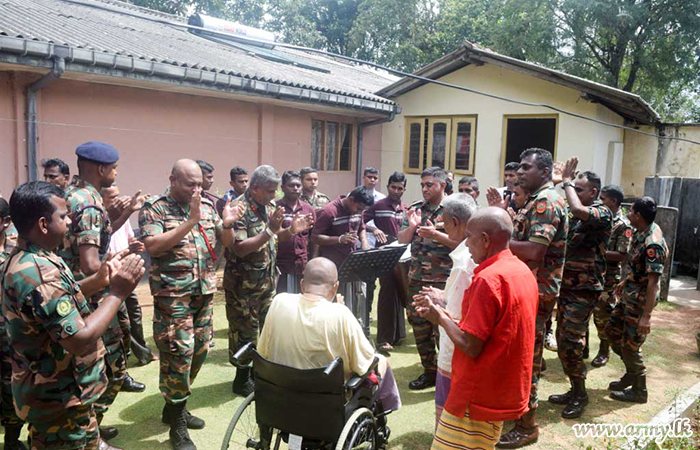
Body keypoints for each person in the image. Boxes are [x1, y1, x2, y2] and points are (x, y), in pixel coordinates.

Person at [2, 181, 145, 450]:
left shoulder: (31, 257)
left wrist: (99, 280)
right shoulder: (40, 274)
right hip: (58, 399)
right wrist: (118, 293)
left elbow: (56, 302)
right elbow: (79, 340)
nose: (69, 222)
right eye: (63, 216)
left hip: (62, 393)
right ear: (43, 224)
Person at [139, 159, 244, 450]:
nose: (197, 190)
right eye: (190, 184)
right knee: (179, 353)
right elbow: (152, 246)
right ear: (172, 180)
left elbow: (227, 242)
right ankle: (177, 423)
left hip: (204, 291)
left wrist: (227, 223)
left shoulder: (208, 206)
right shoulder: (155, 208)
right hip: (173, 295)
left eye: (200, 184)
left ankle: (174, 406)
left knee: (200, 350)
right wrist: (190, 221)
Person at [416, 208, 538, 450]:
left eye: (469, 237)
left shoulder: (487, 279)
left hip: (476, 394)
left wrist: (439, 317)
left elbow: (471, 345)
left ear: (485, 239)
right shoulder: (521, 270)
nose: (466, 244)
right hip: (500, 387)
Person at [59, 142, 142, 447]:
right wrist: (118, 265)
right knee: (112, 368)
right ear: (102, 169)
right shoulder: (91, 203)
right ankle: (91, 433)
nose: (115, 173)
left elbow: (96, 238)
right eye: (114, 168)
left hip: (68, 293)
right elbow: (91, 264)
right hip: (92, 299)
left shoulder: (71, 195)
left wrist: (122, 215)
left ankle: (90, 429)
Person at [258, 257, 401, 416]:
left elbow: (263, 352)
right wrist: (339, 310)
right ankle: (381, 416)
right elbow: (364, 364)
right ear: (335, 287)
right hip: (326, 405)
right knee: (381, 360)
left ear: (302, 284)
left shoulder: (279, 301)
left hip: (282, 395)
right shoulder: (340, 314)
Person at [497, 148, 568, 449]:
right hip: (527, 288)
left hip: (537, 292)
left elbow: (535, 250)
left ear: (544, 172)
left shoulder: (546, 202)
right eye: (520, 167)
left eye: (526, 168)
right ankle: (517, 414)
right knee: (520, 355)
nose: (520, 172)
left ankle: (527, 426)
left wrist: (498, 242)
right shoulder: (535, 200)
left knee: (527, 359)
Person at [225, 166, 311, 398]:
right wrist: (270, 230)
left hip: (267, 281)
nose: (275, 195)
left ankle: (258, 373)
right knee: (245, 332)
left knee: (266, 330)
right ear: (255, 188)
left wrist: (291, 230)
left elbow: (275, 236)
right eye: (271, 191)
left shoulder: (269, 206)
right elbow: (239, 248)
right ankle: (242, 379)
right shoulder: (238, 209)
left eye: (275, 191)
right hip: (243, 286)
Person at [548, 160, 612, 419]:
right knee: (563, 340)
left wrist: (566, 182)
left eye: (579, 188)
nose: (573, 191)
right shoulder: (575, 215)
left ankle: (580, 394)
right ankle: (574, 389)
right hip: (567, 287)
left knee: (572, 342)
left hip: (585, 289)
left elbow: (576, 207)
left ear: (594, 192)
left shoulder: (602, 212)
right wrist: (556, 182)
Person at [411, 193, 476, 425]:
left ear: (456, 222)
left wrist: (436, 307)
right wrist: (442, 295)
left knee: (451, 417)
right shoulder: (469, 254)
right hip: (461, 350)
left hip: (455, 353)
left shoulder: (463, 262)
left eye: (445, 224)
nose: (443, 228)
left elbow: (456, 315)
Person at [397, 167, 459, 391]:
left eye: (429, 185)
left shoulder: (454, 209)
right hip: (417, 279)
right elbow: (402, 239)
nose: (424, 189)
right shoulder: (416, 208)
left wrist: (436, 235)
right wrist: (413, 226)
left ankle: (449, 375)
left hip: (444, 281)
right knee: (419, 324)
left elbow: (463, 243)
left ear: (442, 185)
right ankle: (430, 371)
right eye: (422, 185)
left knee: (443, 327)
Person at [606, 197, 668, 404]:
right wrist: (626, 281)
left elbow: (654, 283)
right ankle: (631, 373)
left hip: (640, 302)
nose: (627, 214)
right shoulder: (640, 231)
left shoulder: (653, 243)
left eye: (630, 211)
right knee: (612, 331)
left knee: (631, 345)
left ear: (638, 215)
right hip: (630, 295)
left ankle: (640, 391)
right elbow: (640, 268)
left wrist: (646, 317)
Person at [102, 186, 157, 369]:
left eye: (117, 196)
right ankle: (122, 361)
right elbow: (103, 256)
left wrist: (135, 245)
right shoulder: (98, 221)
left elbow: (130, 239)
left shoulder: (123, 219)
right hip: (109, 277)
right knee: (118, 320)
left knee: (134, 314)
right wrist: (128, 250)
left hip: (126, 274)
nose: (118, 200)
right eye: (112, 198)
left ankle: (142, 352)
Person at [362, 172, 408, 353]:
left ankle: (397, 335)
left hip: (402, 256)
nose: (396, 191)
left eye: (400, 188)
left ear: (404, 189)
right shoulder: (379, 205)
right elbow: (360, 221)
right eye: (393, 187)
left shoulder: (406, 208)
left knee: (400, 293)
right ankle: (383, 339)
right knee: (387, 293)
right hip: (385, 256)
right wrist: (374, 229)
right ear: (388, 187)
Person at [311, 186, 373, 315]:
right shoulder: (328, 211)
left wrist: (365, 242)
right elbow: (315, 237)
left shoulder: (358, 210)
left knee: (351, 302)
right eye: (359, 209)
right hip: (332, 265)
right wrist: (339, 239)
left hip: (350, 263)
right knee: (333, 303)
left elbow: (361, 227)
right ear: (351, 199)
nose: (360, 212)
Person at [591, 185, 632, 368]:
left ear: (614, 201)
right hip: (591, 273)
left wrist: (596, 252)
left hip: (608, 277)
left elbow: (622, 255)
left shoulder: (623, 225)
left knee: (603, 316)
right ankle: (583, 347)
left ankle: (604, 350)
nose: (600, 202)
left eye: (603, 199)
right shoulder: (599, 218)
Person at [0, 198, 26, 450]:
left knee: (11, 385)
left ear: (6, 221)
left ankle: (11, 439)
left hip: (9, 331)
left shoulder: (17, 247)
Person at [275, 170, 315, 294]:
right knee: (283, 300)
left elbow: (313, 238)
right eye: (291, 185)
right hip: (281, 266)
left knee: (301, 299)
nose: (295, 188)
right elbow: (273, 235)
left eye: (298, 185)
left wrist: (312, 262)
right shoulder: (276, 207)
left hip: (301, 266)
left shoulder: (308, 209)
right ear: (282, 188)